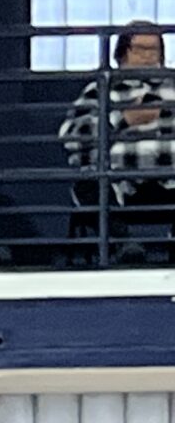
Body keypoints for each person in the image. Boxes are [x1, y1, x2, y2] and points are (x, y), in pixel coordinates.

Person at [59, 21, 175, 260]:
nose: (148, 56)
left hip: (170, 177)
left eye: (153, 50)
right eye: (140, 49)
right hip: (117, 181)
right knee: (88, 185)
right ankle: (123, 246)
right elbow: (72, 135)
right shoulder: (101, 89)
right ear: (122, 53)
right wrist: (122, 119)